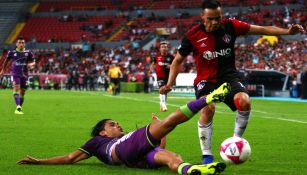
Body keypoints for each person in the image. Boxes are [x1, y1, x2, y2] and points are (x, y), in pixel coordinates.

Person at [160, 0, 305, 164]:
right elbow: (177, 61)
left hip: (229, 77)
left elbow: (262, 29)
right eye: (210, 18)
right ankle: (207, 155)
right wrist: (170, 84)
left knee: (244, 101)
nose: (215, 22)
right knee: (208, 108)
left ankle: (235, 141)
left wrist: (287, 31)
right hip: (206, 80)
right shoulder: (192, 35)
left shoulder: (230, 26)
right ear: (202, 17)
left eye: (218, 18)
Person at [17, 83, 230, 175]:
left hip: (134, 158)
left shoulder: (127, 139)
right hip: (122, 151)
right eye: (112, 124)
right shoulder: (97, 142)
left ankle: (193, 170)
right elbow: (70, 158)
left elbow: (158, 143)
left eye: (117, 123)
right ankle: (210, 97)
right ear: (102, 132)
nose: (117, 125)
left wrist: (161, 132)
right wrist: (41, 161)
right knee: (168, 122)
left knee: (171, 157)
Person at [0, 37, 36, 115]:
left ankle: (19, 107)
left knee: (22, 92)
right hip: (15, 74)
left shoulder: (28, 52)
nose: (21, 44)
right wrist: (3, 70)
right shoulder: (12, 52)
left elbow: (34, 62)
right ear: (16, 44)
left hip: (25, 75)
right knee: (16, 89)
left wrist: (31, 64)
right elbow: (6, 62)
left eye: (23, 42)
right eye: (19, 42)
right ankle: (18, 107)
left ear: (24, 44)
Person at [150, 41, 174, 112]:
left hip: (168, 76)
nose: (164, 48)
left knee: (165, 90)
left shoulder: (171, 56)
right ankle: (163, 105)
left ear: (167, 48)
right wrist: (150, 70)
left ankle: (162, 104)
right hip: (160, 76)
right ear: (160, 49)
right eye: (162, 47)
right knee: (162, 89)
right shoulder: (157, 56)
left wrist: (171, 66)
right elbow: (153, 63)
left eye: (165, 47)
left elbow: (175, 65)